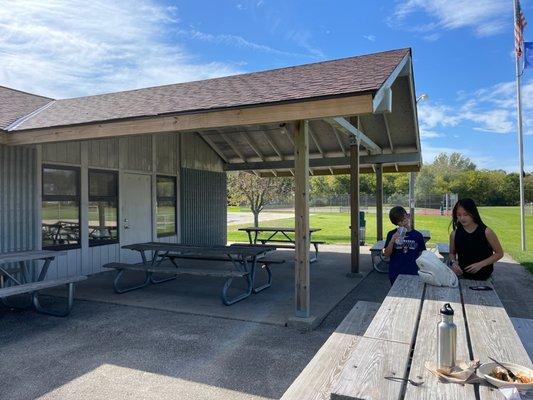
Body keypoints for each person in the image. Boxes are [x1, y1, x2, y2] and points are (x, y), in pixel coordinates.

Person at [449, 198, 503, 280]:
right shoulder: (454, 234)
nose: (462, 218)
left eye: (466, 214)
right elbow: (452, 253)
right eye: (459, 215)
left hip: (484, 277)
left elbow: (499, 253)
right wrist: (453, 263)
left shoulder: (487, 232)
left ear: (473, 213)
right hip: (462, 275)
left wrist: (480, 264)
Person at [383, 206, 426, 284]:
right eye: (400, 221)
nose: (403, 222)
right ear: (396, 223)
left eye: (404, 218)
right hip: (395, 272)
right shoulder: (391, 234)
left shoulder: (417, 235)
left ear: (408, 216)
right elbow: (386, 254)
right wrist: (392, 240)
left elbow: (422, 254)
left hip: (413, 272)